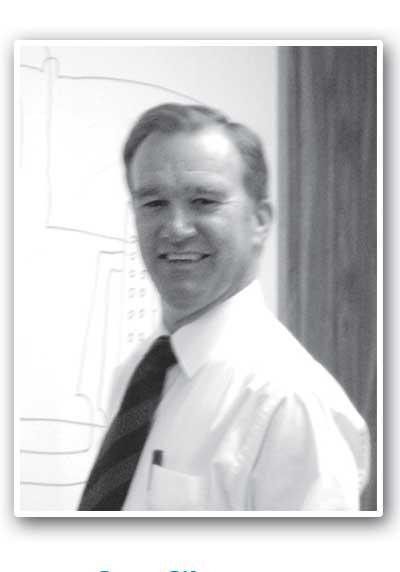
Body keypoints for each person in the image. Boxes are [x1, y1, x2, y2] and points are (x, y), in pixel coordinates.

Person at [78, 103, 370, 512]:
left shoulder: (289, 401)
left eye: (203, 201)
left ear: (260, 221)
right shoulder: (137, 373)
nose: (176, 228)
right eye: (154, 203)